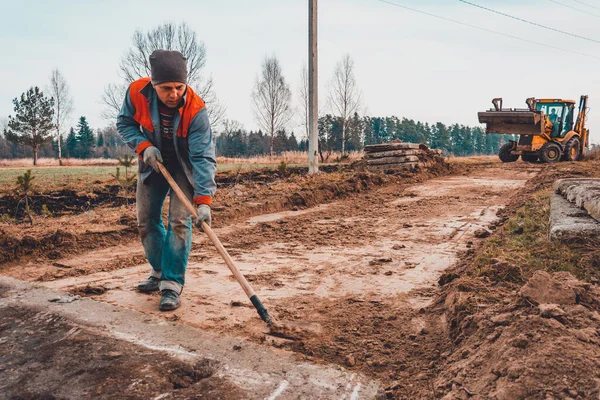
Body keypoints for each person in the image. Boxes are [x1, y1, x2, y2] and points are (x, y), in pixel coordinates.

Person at [117, 49, 216, 311]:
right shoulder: (136, 92)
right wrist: (143, 146)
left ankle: (172, 284)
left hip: (184, 167)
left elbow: (203, 157)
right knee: (146, 220)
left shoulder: (196, 110)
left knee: (179, 222)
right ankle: (160, 271)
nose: (174, 94)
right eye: (167, 89)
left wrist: (204, 200)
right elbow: (124, 123)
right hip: (153, 162)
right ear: (153, 85)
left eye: (179, 87)